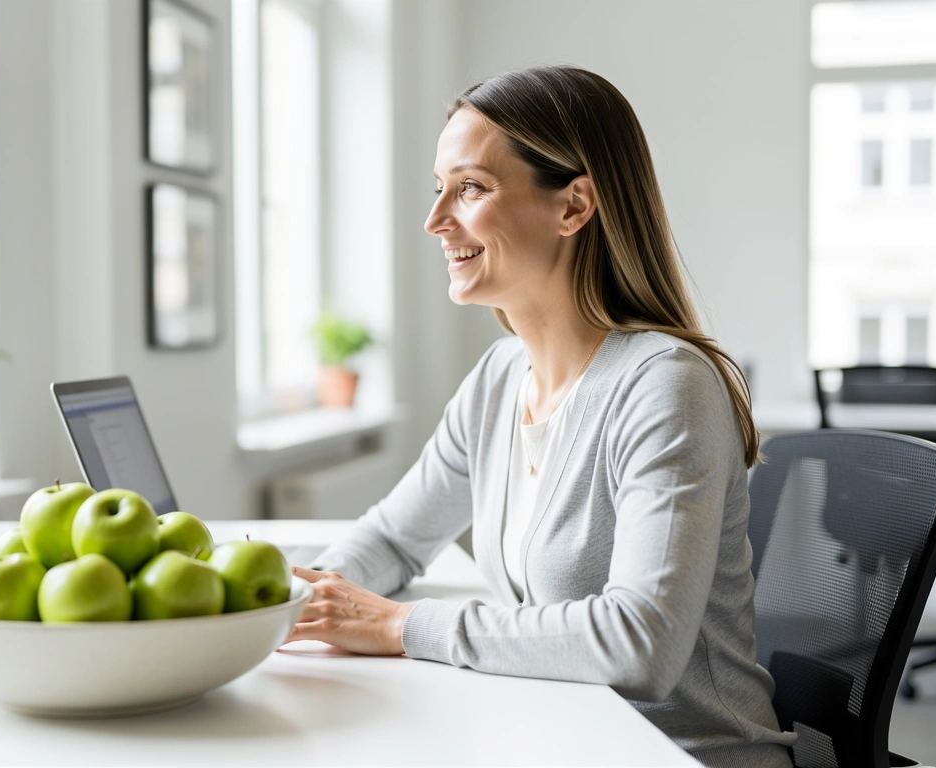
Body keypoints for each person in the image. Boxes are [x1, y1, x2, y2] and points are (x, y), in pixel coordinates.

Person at [280, 65, 797, 767]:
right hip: (561, 734)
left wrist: (402, 624)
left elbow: (637, 642)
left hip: (681, 752)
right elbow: (396, 541)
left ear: (574, 205)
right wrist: (295, 606)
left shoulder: (665, 385)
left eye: (471, 188)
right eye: (439, 189)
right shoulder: (499, 378)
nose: (436, 221)